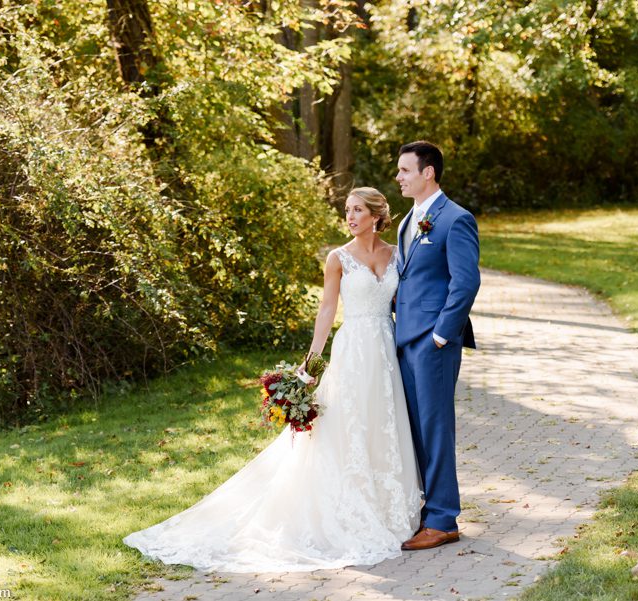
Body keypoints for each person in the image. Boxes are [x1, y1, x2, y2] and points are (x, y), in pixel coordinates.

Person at [123, 187, 422, 572]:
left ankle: (388, 509)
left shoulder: (396, 254)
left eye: (358, 210)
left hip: (386, 351)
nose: (350, 217)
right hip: (354, 351)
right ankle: (348, 510)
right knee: (348, 426)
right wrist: (311, 365)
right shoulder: (338, 258)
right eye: (347, 210)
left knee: (383, 426)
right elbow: (327, 309)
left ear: (377, 215)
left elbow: (405, 302)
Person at [393, 141, 481, 550]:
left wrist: (441, 336)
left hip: (433, 344)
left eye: (405, 170)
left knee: (435, 428)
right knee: (414, 428)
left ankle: (444, 519)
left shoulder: (456, 219)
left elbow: (466, 282)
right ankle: (427, 510)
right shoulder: (407, 220)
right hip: (403, 340)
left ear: (428, 172)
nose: (399, 177)